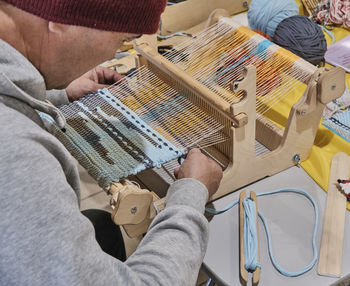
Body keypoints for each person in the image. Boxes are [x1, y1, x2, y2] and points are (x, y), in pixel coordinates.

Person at [0, 0, 223, 285]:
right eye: (122, 41)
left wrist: (54, 94)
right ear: (63, 20)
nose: (112, 54)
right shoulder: (16, 156)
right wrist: (189, 200)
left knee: (101, 227)